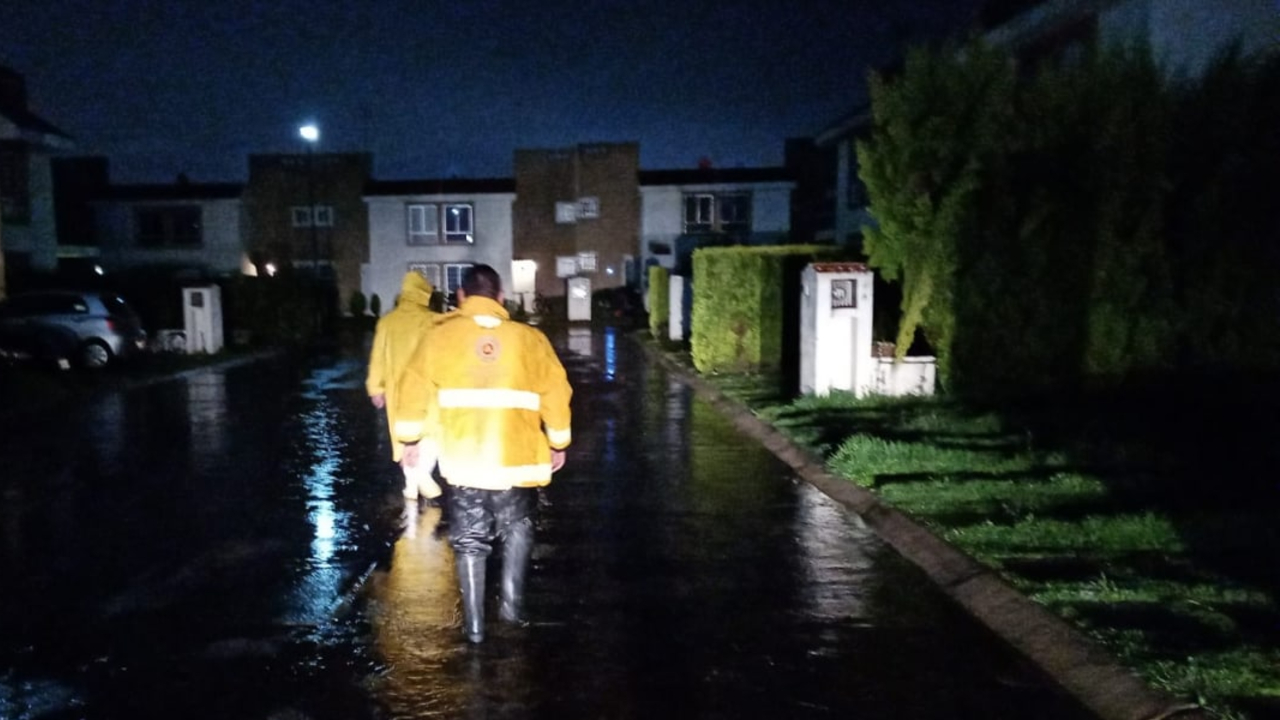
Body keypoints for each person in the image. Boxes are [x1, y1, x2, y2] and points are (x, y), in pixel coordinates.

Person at [394, 264, 572, 644]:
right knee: (518, 528)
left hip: (464, 464)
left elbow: (412, 389)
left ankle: (475, 629)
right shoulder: (530, 339)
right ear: (501, 298)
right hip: (517, 461)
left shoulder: (438, 336)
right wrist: (558, 442)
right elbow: (556, 392)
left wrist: (409, 440)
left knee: (470, 541)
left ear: (461, 296)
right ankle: (511, 613)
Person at [366, 270, 443, 502]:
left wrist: (375, 388)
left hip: (396, 392)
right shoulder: (433, 321)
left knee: (404, 437)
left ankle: (411, 484)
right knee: (430, 434)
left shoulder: (387, 322)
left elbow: (377, 357)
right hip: (428, 391)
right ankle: (422, 477)